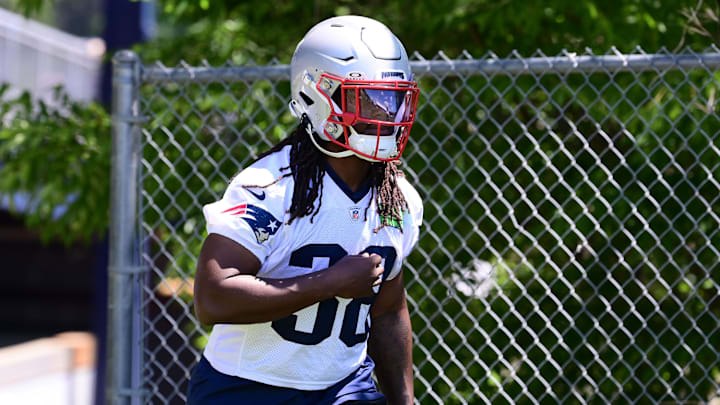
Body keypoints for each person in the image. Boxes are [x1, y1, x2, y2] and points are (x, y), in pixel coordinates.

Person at [188, 15, 423, 405]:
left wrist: (405, 400)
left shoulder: (397, 196)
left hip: (343, 386)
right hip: (246, 388)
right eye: (369, 99)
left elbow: (387, 307)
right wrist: (330, 283)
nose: (386, 115)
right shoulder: (270, 188)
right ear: (317, 94)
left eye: (394, 100)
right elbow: (212, 298)